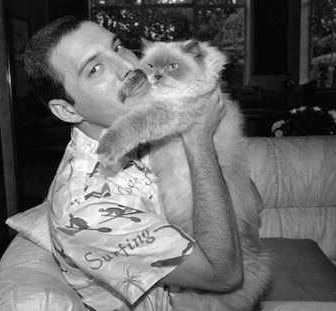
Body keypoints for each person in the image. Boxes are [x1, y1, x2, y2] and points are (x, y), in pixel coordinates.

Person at [24, 15, 243, 310]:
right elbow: (225, 275)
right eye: (95, 69)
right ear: (66, 110)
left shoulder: (143, 130)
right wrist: (198, 138)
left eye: (118, 47)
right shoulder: (89, 212)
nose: (130, 67)